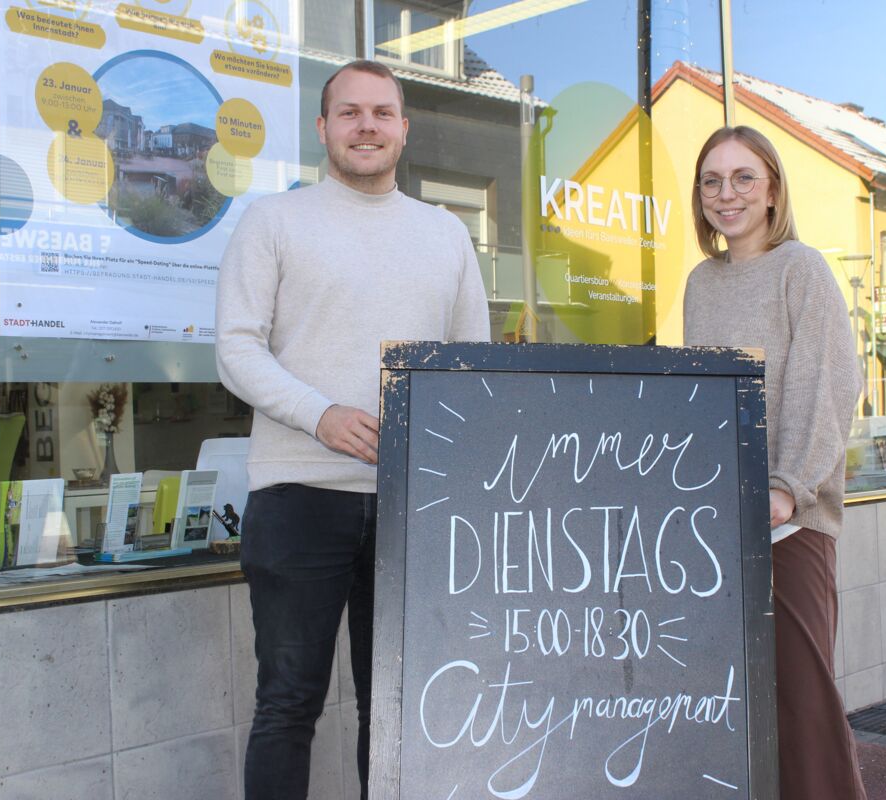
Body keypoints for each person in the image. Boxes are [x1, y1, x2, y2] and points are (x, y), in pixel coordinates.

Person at [215, 60, 490, 800]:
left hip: (415, 509)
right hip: (299, 497)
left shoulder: (446, 234)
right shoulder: (274, 221)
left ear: (404, 128)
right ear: (323, 129)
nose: (365, 126)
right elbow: (235, 348)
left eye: (381, 112)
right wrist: (321, 416)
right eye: (349, 113)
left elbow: (471, 371)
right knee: (288, 705)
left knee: (397, 711)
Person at [682, 125, 866, 800]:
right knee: (734, 705)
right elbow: (699, 403)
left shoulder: (802, 269)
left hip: (791, 527)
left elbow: (830, 386)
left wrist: (786, 488)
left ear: (773, 191)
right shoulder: (702, 283)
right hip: (717, 530)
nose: (725, 194)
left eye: (742, 178)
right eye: (711, 180)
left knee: (802, 706)